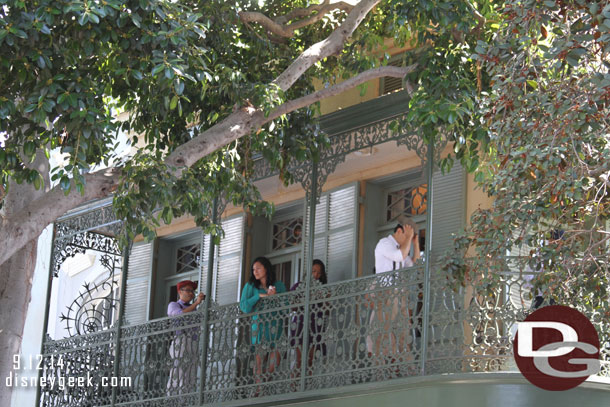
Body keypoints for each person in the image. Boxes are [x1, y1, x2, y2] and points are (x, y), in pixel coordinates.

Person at [369, 216, 420, 363]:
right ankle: (379, 367)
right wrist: (409, 239)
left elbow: (413, 263)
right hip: (386, 292)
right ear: (399, 231)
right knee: (384, 331)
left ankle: (404, 365)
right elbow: (400, 256)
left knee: (403, 332)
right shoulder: (384, 243)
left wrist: (415, 244)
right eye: (407, 235)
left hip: (398, 293)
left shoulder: (400, 248)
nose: (408, 240)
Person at [239, 257, 287, 384]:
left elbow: (286, 308)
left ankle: (263, 385)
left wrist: (276, 297)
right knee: (259, 361)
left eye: (258, 268)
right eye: (253, 269)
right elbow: (244, 307)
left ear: (266, 268)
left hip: (276, 326)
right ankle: (260, 389)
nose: (255, 271)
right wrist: (258, 296)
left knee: (274, 361)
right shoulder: (250, 286)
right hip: (259, 327)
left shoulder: (279, 285)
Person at [289, 259, 328, 377]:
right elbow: (292, 306)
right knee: (300, 360)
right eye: (313, 271)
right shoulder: (298, 286)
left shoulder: (323, 288)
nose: (315, 275)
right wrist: (305, 298)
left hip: (316, 326)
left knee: (310, 360)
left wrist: (322, 298)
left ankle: (307, 385)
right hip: (300, 325)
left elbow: (327, 309)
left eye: (318, 273)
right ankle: (294, 386)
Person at [166, 280, 205, 395]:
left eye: (192, 292)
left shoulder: (193, 308)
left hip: (192, 341)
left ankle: (185, 398)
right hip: (180, 340)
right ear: (180, 292)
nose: (191, 294)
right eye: (188, 290)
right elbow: (179, 314)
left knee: (191, 372)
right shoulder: (173, 304)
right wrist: (196, 303)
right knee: (179, 369)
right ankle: (172, 397)